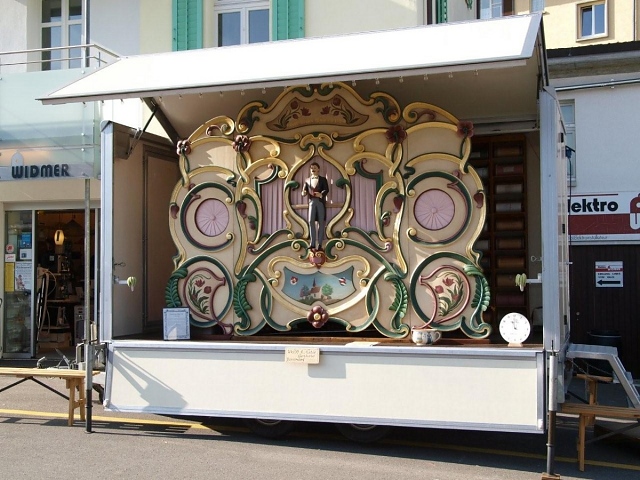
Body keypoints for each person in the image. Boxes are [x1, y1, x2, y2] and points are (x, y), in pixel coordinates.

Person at [301, 162, 329, 251]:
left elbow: (326, 189)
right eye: (311, 168)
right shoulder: (307, 180)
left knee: (321, 222)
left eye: (315, 168)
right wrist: (304, 193)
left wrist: (321, 194)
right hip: (311, 202)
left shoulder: (323, 179)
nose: (313, 169)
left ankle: (320, 243)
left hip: (320, 202)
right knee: (311, 221)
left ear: (318, 169)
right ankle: (312, 243)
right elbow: (304, 190)